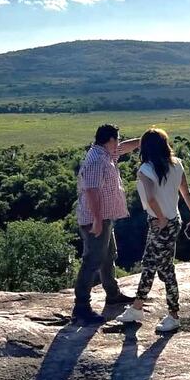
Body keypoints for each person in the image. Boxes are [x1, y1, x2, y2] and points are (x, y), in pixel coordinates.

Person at [116, 128, 190, 333]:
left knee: (164, 269)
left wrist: (161, 219)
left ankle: (172, 315)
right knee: (152, 264)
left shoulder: (145, 169)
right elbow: (187, 193)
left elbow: (151, 198)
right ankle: (138, 308)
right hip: (173, 221)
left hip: (160, 222)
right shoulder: (177, 164)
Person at [72, 124, 140, 325]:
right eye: (117, 139)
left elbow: (124, 148)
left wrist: (143, 140)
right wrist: (97, 220)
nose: (119, 143)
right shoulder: (96, 160)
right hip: (95, 219)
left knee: (108, 256)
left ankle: (113, 294)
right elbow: (92, 191)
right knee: (92, 261)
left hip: (104, 218)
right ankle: (81, 307)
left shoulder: (105, 153)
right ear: (110, 140)